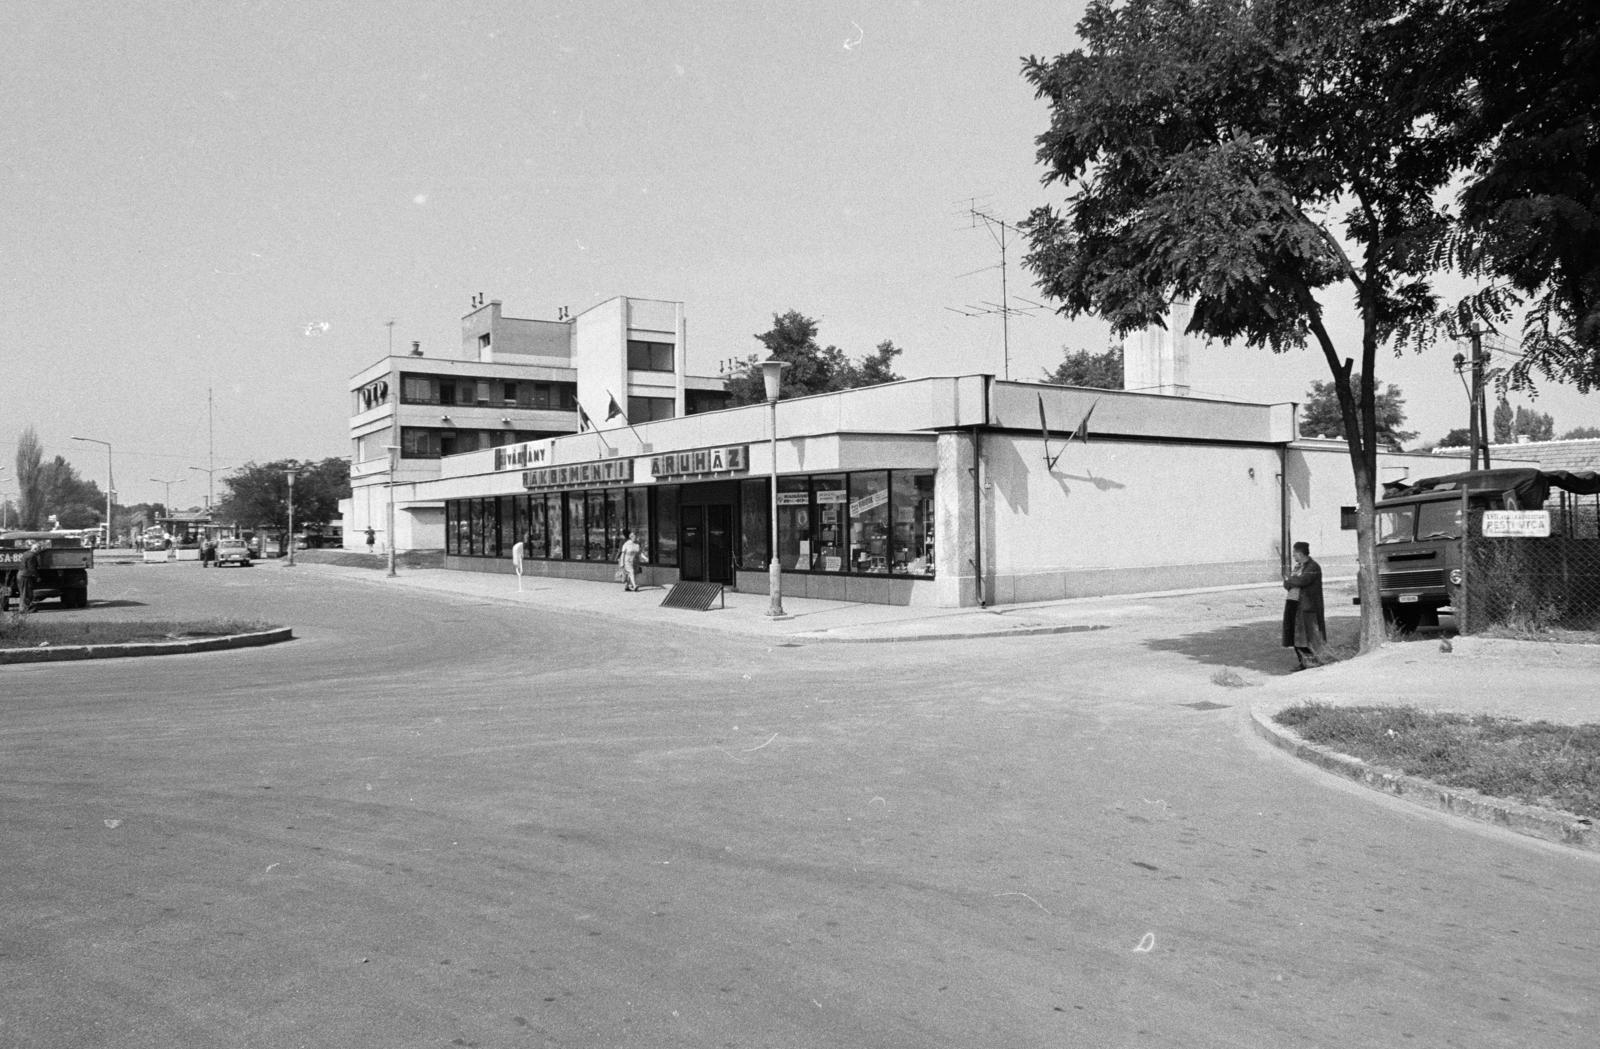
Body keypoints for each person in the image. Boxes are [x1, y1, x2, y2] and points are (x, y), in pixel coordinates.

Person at [1281, 541, 1327, 670]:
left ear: (1300, 553)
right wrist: (1289, 581)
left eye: (1294, 553)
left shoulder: (1313, 567)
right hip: (1293, 603)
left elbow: (1302, 581)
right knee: (1294, 635)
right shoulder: (1297, 567)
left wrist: (1290, 580)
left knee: (1306, 636)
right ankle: (1303, 662)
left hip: (1307, 607)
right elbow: (1287, 585)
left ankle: (1311, 662)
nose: (1293, 556)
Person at [17, 541, 42, 612]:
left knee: (24, 592)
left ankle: (24, 608)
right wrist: (37, 577)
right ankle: (24, 609)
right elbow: (32, 568)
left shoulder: (26, 553)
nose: (39, 552)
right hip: (25, 576)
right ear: (35, 549)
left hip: (21, 575)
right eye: (39, 550)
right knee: (26, 593)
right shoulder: (32, 556)